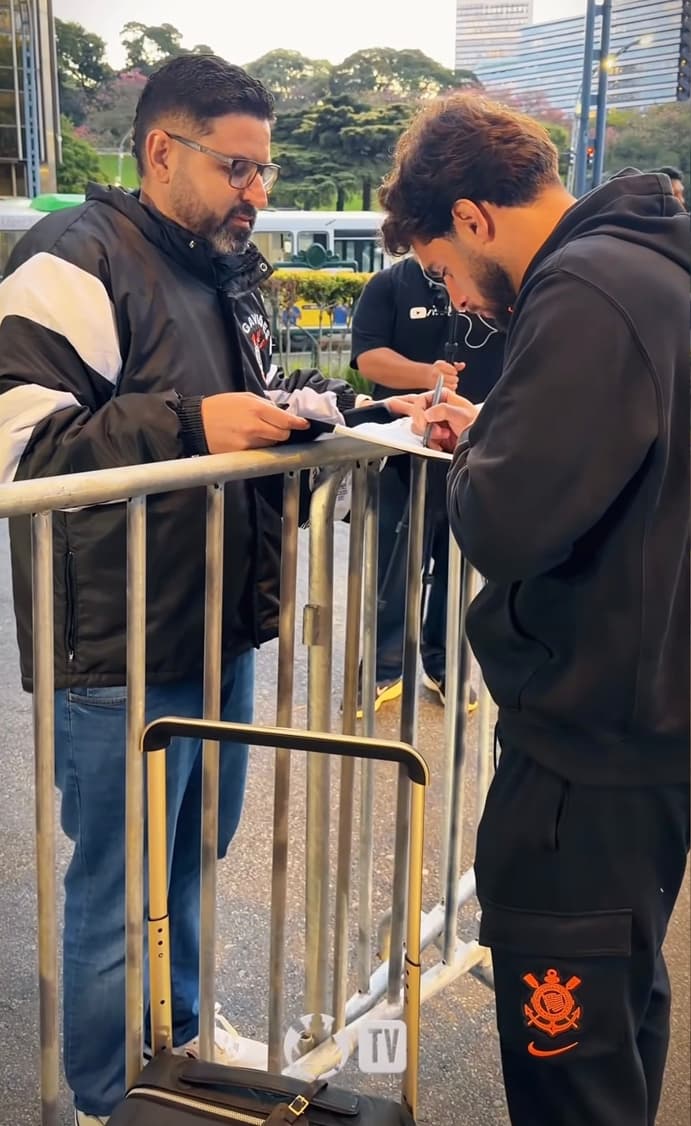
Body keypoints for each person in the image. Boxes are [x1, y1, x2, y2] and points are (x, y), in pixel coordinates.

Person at [0, 55, 372, 1125]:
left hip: (221, 623)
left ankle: (186, 1050)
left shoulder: (221, 268)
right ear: (162, 150)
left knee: (195, 855)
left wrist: (308, 413)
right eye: (238, 167)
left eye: (264, 168)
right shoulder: (72, 256)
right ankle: (106, 1095)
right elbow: (21, 443)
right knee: (118, 886)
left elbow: (235, 400)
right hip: (120, 642)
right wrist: (193, 426)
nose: (256, 190)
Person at [382, 94, 689, 1126]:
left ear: (472, 217)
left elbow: (505, 524)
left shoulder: (587, 288)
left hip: (586, 748)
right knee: (619, 1018)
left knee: (568, 1062)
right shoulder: (656, 267)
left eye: (443, 269)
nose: (460, 299)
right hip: (647, 732)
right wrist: (503, 431)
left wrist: (474, 447)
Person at [350, 257, 504, 710]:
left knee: (459, 568)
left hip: (475, 454)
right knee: (394, 567)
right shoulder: (390, 285)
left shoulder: (493, 281)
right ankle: (383, 668)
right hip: (403, 455)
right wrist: (426, 376)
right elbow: (368, 356)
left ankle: (446, 666)